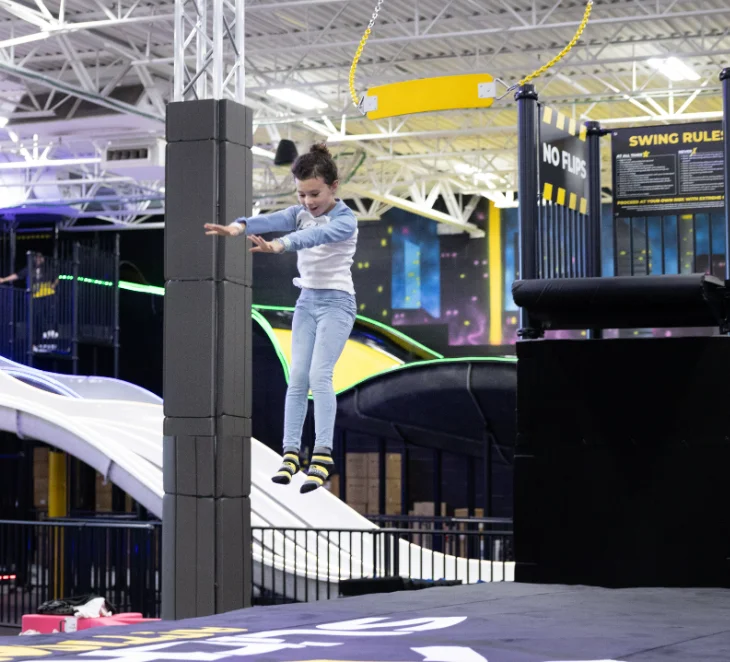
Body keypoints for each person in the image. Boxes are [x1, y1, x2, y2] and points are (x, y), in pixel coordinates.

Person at [204, 143, 358, 494]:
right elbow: (272, 219)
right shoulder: (299, 212)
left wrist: (279, 245)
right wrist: (239, 226)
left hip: (338, 303)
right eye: (302, 194)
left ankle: (322, 454)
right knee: (297, 377)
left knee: (320, 375)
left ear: (334, 187)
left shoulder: (345, 220)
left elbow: (314, 235)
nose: (308, 202)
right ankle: (291, 453)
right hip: (307, 302)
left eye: (315, 194)